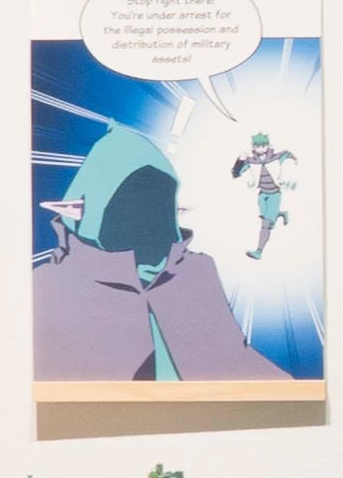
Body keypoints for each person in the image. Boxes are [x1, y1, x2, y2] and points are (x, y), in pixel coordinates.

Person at [33, 126, 277, 382]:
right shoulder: (49, 286)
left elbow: (235, 363)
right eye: (129, 205)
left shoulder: (195, 272)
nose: (144, 219)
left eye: (156, 204)